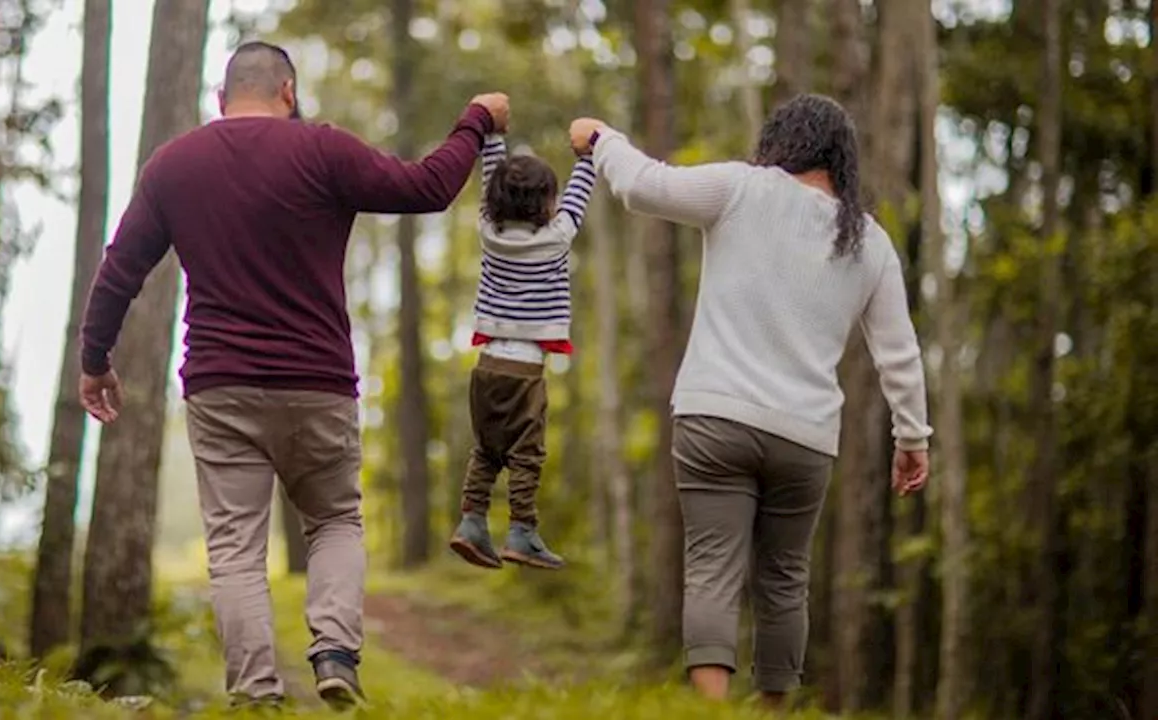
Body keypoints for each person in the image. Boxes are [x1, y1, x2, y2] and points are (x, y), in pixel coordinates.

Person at [78, 40, 509, 710]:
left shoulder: (174, 165)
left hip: (220, 387)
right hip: (318, 382)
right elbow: (428, 188)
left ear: (221, 100)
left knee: (235, 551)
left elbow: (120, 270)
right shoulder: (322, 149)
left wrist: (94, 359)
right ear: (288, 91)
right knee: (335, 518)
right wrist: (475, 120)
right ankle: (336, 653)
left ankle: (255, 694)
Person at [568, 94, 932, 710]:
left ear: (780, 142)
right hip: (806, 438)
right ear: (842, 159)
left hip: (715, 418)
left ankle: (709, 710)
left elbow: (643, 186)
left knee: (713, 568)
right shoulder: (869, 241)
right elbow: (899, 351)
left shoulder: (740, 188)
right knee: (786, 581)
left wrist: (603, 138)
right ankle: (772, 712)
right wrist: (913, 438)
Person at [447, 132, 596, 571]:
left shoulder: (488, 232)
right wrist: (587, 154)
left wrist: (492, 135)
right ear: (547, 203)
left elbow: (490, 175)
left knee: (486, 449)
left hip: (487, 365)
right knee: (526, 453)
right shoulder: (557, 237)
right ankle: (522, 530)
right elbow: (580, 192)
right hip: (526, 371)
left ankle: (472, 520)